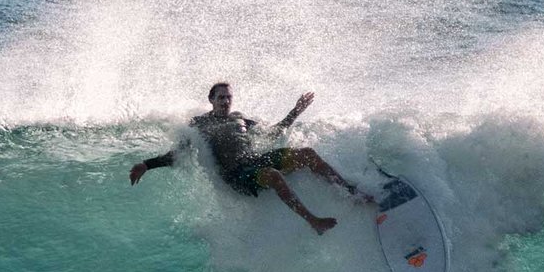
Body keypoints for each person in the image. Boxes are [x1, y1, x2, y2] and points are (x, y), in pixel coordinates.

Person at [129, 83, 376, 235]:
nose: (226, 101)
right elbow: (179, 154)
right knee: (273, 175)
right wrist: (147, 165)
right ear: (211, 100)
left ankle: (350, 192)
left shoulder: (241, 118)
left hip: (254, 161)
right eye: (221, 97)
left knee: (307, 154)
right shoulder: (199, 124)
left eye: (228, 97)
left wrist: (296, 111)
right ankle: (313, 221)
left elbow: (275, 133)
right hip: (236, 176)